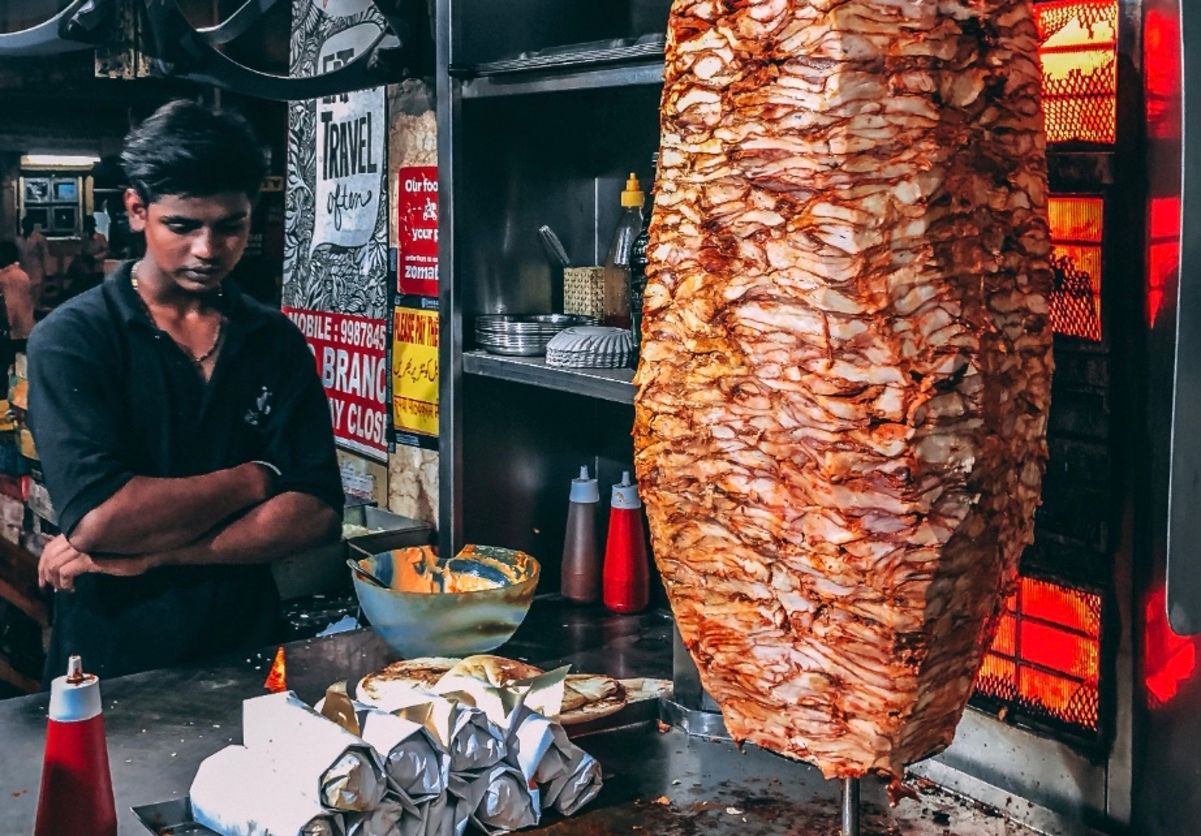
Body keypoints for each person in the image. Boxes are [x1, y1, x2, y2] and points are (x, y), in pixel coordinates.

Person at [27, 99, 344, 683]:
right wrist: (259, 476)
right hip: (112, 658)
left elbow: (317, 515)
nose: (208, 248)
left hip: (249, 654)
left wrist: (157, 554)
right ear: (136, 210)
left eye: (231, 226)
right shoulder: (74, 339)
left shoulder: (272, 338)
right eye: (183, 226)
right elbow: (101, 520)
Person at [0, 240, 34, 344]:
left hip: (14, 330)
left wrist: (8, 324)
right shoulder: (22, 274)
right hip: (28, 327)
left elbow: (11, 305)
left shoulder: (6, 277)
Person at [17, 215, 48, 308]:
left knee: (36, 299)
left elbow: (45, 255)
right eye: (25, 224)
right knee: (25, 300)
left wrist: (46, 271)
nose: (26, 226)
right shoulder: (18, 240)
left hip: (37, 271)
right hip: (23, 272)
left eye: (28, 224)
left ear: (32, 225)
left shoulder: (39, 238)